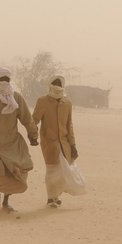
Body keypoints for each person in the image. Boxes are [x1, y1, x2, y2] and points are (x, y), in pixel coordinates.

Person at [0, 67, 38, 212]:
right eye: (2, 79)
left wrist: (33, 134)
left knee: (17, 169)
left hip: (13, 142)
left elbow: (26, 117)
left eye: (7, 79)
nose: (4, 82)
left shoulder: (16, 98)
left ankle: (6, 200)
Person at [32, 75, 78, 208]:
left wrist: (73, 144)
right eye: (55, 83)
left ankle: (55, 196)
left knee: (62, 171)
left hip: (64, 144)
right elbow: (34, 120)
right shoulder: (43, 101)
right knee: (52, 170)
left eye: (60, 84)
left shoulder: (67, 103)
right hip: (49, 142)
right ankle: (50, 199)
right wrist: (33, 136)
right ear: (50, 85)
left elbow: (69, 125)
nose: (57, 86)